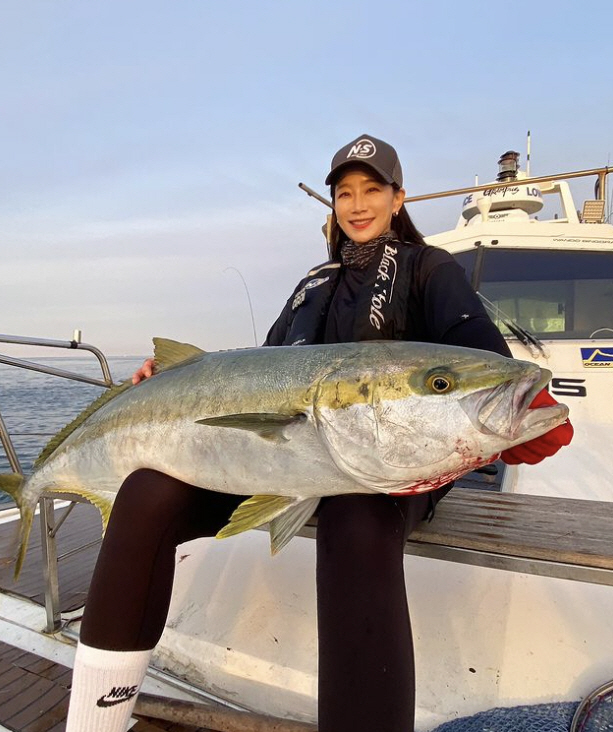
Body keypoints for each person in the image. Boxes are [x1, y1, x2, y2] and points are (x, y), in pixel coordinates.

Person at [65, 134, 573, 732]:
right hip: (292, 459)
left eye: (373, 190)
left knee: (355, 520)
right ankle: (95, 719)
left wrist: (519, 422)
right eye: (346, 193)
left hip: (388, 470)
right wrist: (176, 379)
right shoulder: (313, 281)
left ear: (398, 197)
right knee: (147, 494)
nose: (358, 205)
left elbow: (486, 367)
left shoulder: (429, 269)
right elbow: (263, 369)